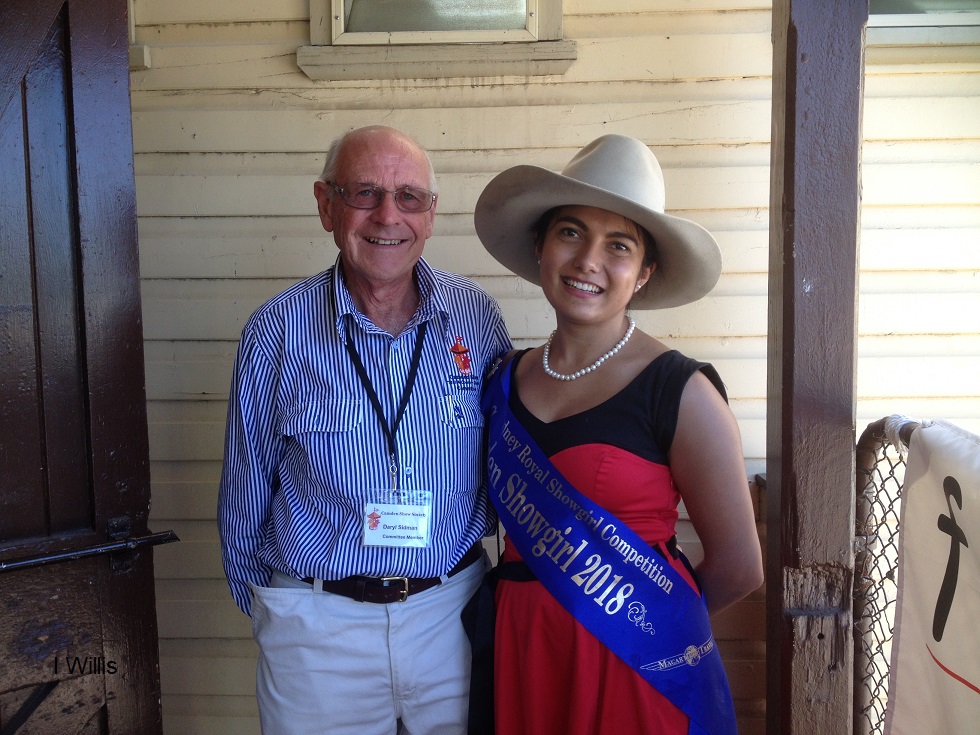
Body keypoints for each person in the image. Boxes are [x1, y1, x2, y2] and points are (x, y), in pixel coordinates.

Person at [218, 125, 512, 735]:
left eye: (409, 197)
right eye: (364, 193)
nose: (387, 215)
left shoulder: (477, 320)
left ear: (431, 216)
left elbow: (509, 463)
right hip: (318, 630)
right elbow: (244, 495)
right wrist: (282, 612)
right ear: (326, 205)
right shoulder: (275, 331)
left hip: (450, 615)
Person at [474, 134, 764, 735]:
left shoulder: (681, 391)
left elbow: (740, 566)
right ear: (541, 245)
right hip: (524, 654)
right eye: (571, 232)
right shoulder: (502, 378)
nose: (588, 261)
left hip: (628, 667)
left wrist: (638, 623)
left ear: (645, 273)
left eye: (619, 246)